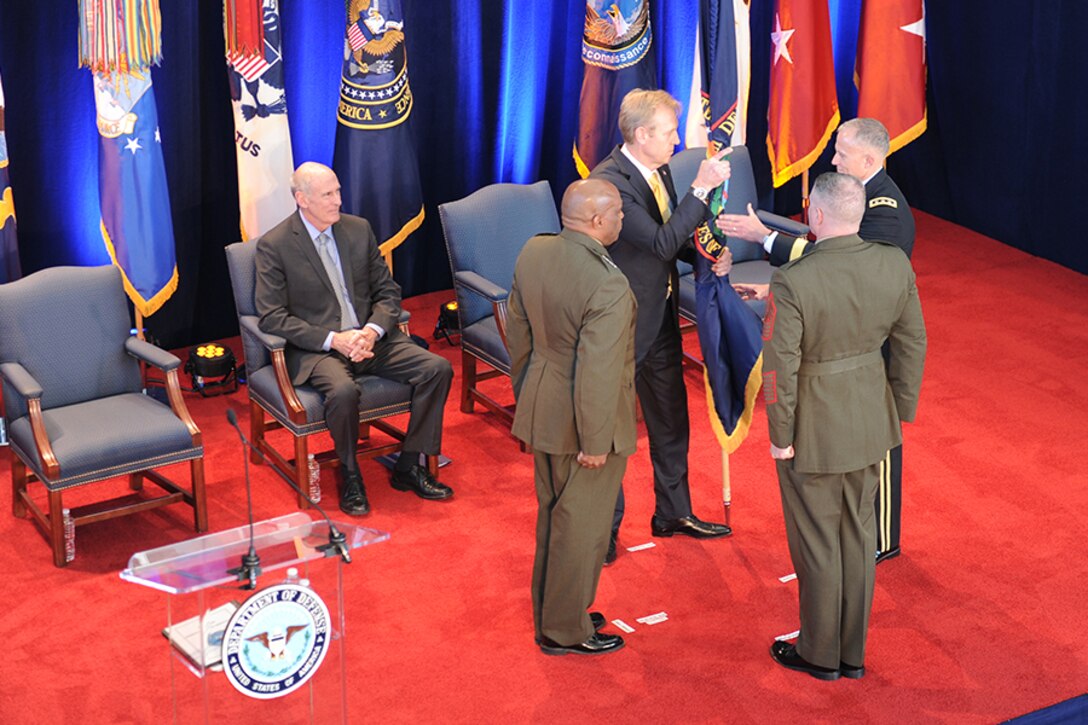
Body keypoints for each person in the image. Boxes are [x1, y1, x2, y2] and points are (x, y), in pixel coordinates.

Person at [725, 117, 915, 563]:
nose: (832, 159)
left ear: (869, 159)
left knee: (877, 446)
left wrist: (766, 238)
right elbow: (832, 271)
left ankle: (882, 537)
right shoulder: (860, 196)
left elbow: (839, 265)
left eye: (841, 152)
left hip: (868, 338)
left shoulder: (884, 210)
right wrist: (777, 289)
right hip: (846, 325)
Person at [762, 172, 926, 681]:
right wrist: (895, 410)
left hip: (812, 427)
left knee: (816, 541)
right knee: (858, 536)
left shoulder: (795, 279)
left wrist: (780, 435)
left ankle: (819, 652)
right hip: (871, 421)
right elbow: (912, 342)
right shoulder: (893, 263)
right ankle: (851, 653)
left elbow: (779, 367)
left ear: (816, 215)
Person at [255, 161, 454, 516]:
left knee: (437, 368)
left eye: (338, 191)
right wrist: (335, 339)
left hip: (370, 339)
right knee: (344, 391)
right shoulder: (276, 245)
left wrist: (371, 330)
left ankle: (408, 465)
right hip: (321, 350)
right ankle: (350, 475)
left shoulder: (358, 230)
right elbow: (272, 316)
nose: (338, 201)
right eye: (327, 194)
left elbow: (388, 291)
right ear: (302, 199)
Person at [589, 89, 732, 561]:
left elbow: (675, 239)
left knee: (671, 420)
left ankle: (673, 512)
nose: (677, 139)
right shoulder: (611, 183)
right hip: (620, 325)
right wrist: (702, 190)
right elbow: (657, 242)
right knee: (612, 436)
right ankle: (603, 532)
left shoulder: (659, 168)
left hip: (661, 314)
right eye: (670, 131)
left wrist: (707, 254)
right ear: (642, 134)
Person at [506, 179, 637, 656]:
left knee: (554, 516)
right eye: (619, 212)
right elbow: (598, 371)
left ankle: (558, 611)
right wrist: (596, 440)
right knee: (582, 527)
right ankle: (566, 630)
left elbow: (518, 336)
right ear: (597, 220)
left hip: (543, 407)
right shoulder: (607, 282)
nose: (624, 218)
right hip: (586, 422)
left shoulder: (534, 252)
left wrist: (529, 398)